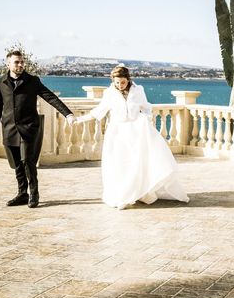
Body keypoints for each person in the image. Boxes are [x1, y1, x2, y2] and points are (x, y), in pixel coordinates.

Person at [74, 66, 189, 209]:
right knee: (121, 164)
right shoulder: (109, 93)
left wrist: (146, 119)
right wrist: (79, 120)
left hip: (137, 132)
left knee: (137, 163)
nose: (120, 85)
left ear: (128, 79)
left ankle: (139, 193)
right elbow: (99, 111)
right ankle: (123, 196)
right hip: (118, 133)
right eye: (117, 82)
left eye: (122, 82)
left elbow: (146, 107)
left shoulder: (138, 90)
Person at [0, 50, 76, 208]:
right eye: (17, 62)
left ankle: (34, 194)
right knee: (16, 163)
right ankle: (22, 193)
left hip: (28, 128)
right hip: (9, 128)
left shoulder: (33, 81)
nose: (21, 64)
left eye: (22, 62)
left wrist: (67, 114)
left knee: (27, 161)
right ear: (8, 63)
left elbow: (50, 97)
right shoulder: (1, 82)